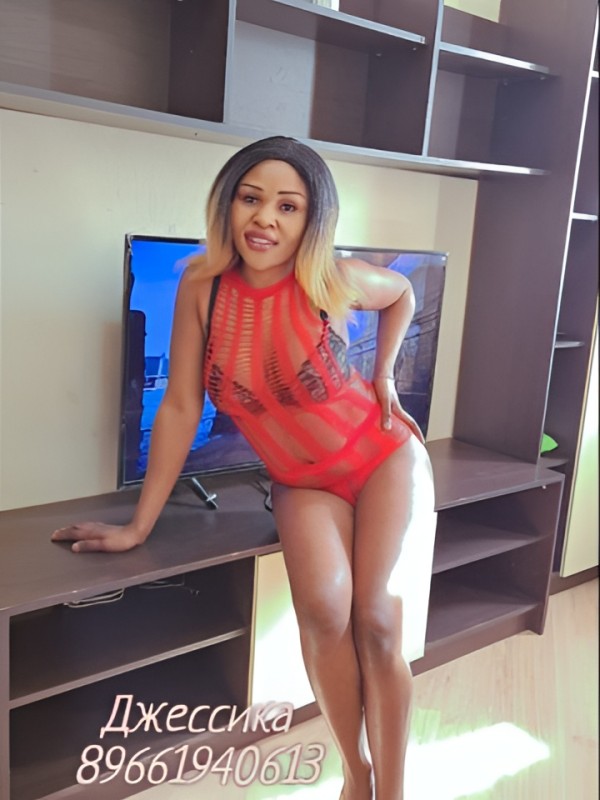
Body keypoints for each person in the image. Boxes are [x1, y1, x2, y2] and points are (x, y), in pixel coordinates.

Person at [52, 136, 436, 800]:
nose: (264, 219)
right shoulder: (201, 286)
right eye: (251, 199)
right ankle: (357, 775)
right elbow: (180, 405)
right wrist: (138, 527)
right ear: (227, 203)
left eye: (288, 206)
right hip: (303, 482)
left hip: (382, 456)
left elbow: (401, 291)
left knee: (377, 620)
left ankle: (393, 793)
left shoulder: (331, 278)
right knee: (324, 613)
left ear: (311, 219)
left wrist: (385, 377)